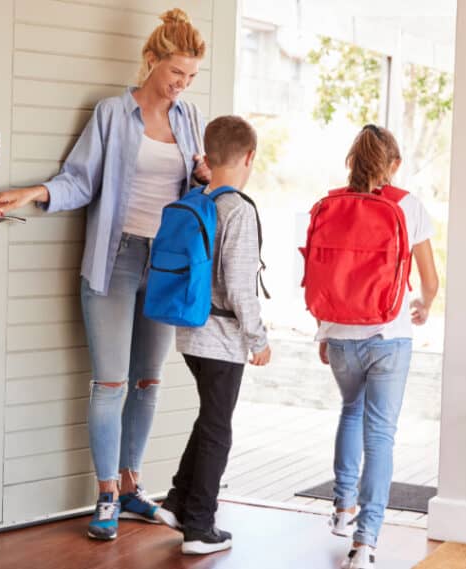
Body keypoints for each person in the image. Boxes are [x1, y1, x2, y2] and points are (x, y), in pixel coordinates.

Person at [0, 8, 211, 541]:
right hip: (115, 260)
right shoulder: (113, 114)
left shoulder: (188, 119)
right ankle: (106, 493)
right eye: (176, 72)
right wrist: (32, 193)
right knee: (110, 383)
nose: (182, 85)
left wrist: (204, 179)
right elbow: (78, 181)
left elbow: (196, 190)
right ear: (152, 60)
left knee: (149, 381)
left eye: (191, 77)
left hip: (167, 266)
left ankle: (134, 486)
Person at [317, 125, 440, 569]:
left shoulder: (331, 202)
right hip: (389, 335)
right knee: (381, 436)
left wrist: (325, 331)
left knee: (351, 409)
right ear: (394, 165)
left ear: (352, 162)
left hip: (340, 334)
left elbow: (325, 271)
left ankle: (342, 508)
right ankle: (365, 542)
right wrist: (423, 307)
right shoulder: (407, 204)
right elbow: (429, 280)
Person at [154, 116, 272, 555]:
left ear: (208, 155)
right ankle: (200, 528)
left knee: (209, 419)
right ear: (249, 158)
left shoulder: (198, 198)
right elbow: (241, 286)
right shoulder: (238, 209)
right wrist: (258, 340)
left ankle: (178, 502)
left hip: (190, 332)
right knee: (219, 428)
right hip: (223, 340)